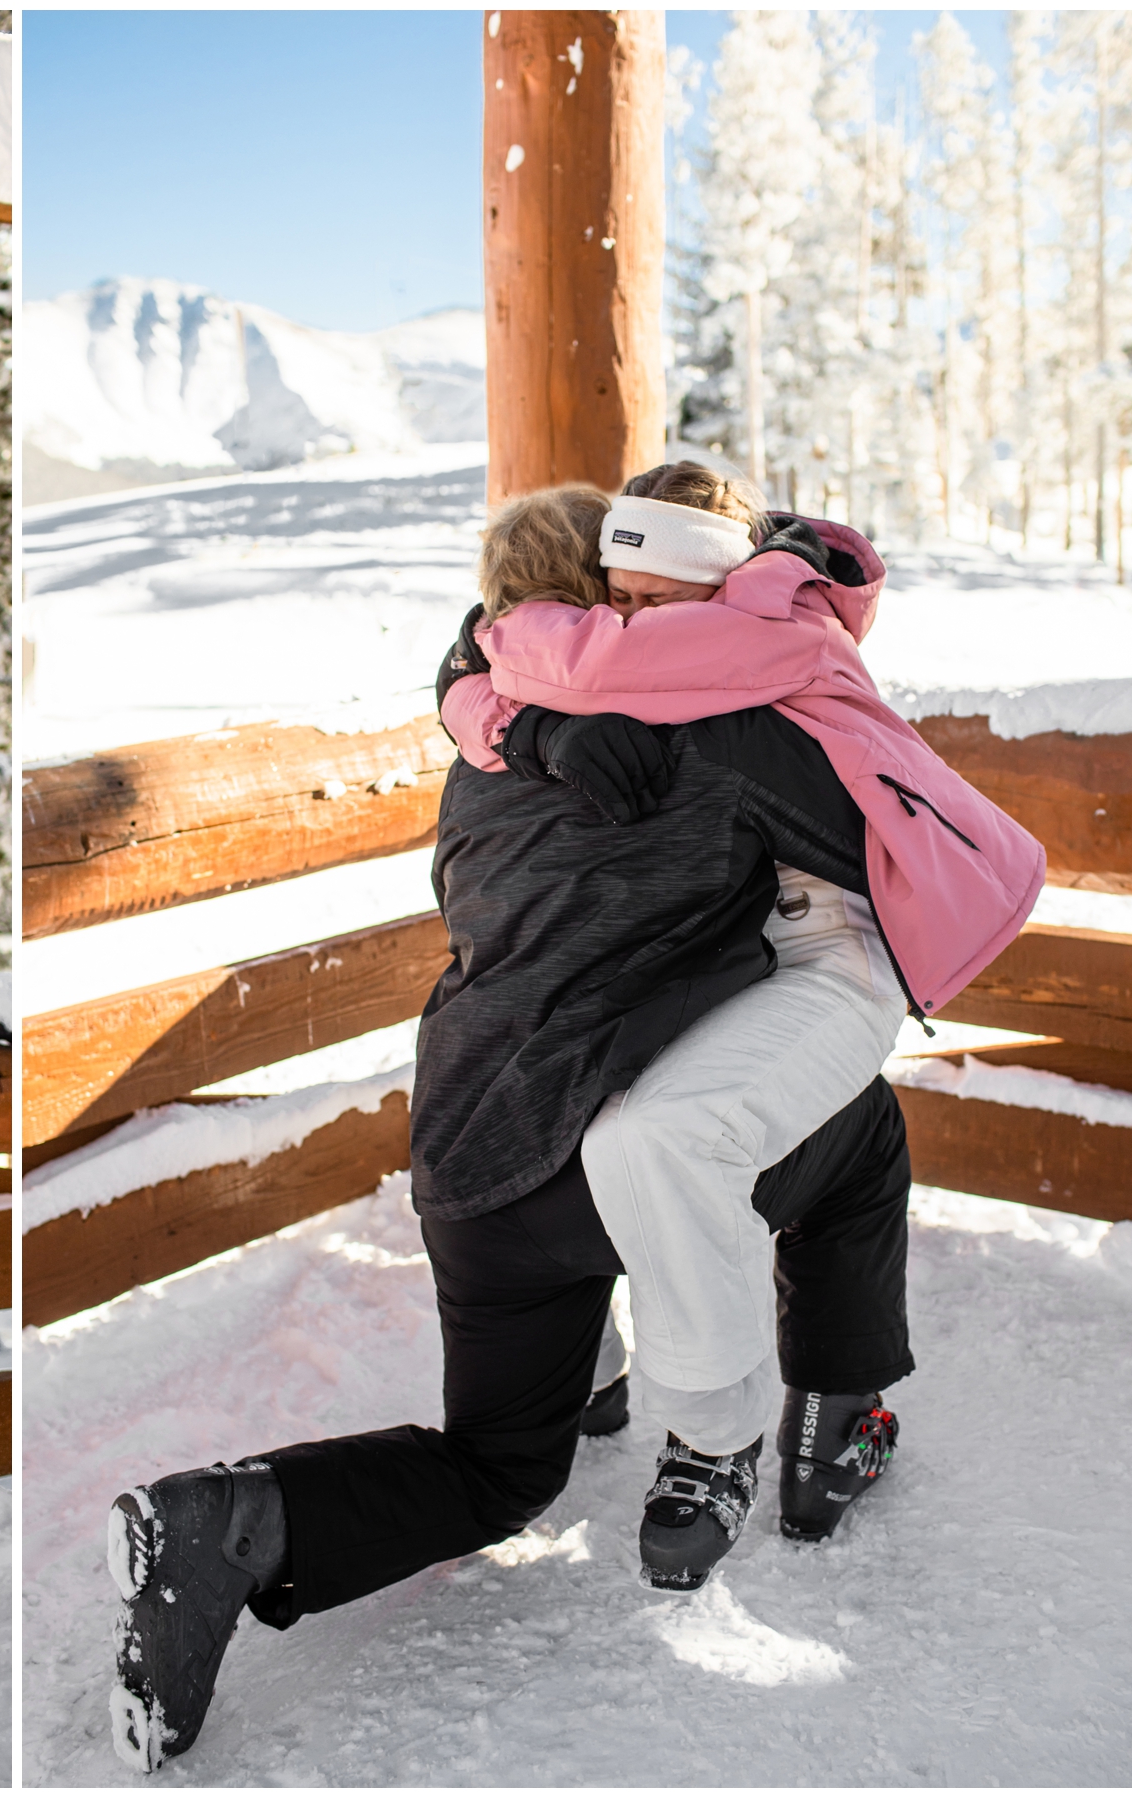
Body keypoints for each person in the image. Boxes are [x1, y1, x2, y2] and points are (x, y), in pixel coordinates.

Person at [103, 486, 938, 1773]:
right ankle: (830, 1435)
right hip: (591, 1150)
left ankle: (232, 1519)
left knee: (496, 1468)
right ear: (603, 608)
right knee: (847, 1127)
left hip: (471, 1160)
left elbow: (487, 673)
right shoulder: (710, 745)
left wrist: (507, 696)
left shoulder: (481, 756)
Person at [434, 468, 1042, 1579]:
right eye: (611, 594)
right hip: (737, 960)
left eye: (644, 597)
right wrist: (498, 705)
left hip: (832, 950)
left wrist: (500, 702)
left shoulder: (737, 666)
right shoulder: (684, 656)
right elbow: (518, 659)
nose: (623, 618)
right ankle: (781, 1415)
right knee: (691, 1126)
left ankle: (731, 1436)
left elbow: (544, 657)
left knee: (679, 1136)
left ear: (708, 580)